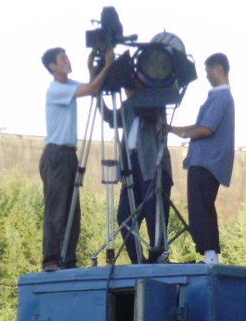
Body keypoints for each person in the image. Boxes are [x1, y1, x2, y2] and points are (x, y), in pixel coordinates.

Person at [40, 46, 115, 272]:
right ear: (53, 66)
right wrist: (108, 65)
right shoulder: (55, 90)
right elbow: (92, 88)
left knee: (72, 208)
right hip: (56, 153)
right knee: (57, 209)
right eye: (62, 59)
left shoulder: (69, 86)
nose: (67, 60)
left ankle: (67, 259)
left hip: (68, 153)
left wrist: (92, 69)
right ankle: (51, 259)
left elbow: (91, 89)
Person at [170, 53, 235, 265]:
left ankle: (210, 254)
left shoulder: (222, 97)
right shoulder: (217, 97)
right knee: (200, 206)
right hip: (205, 161)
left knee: (202, 207)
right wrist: (173, 129)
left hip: (208, 161)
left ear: (218, 69)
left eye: (208, 70)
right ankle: (209, 253)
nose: (206, 75)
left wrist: (184, 133)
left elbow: (205, 129)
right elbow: (200, 126)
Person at [104, 98, 173, 264]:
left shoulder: (156, 97)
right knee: (124, 215)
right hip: (131, 165)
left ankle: (157, 257)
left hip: (152, 164)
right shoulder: (129, 105)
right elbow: (111, 118)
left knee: (154, 213)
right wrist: (99, 96)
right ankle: (138, 260)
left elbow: (152, 115)